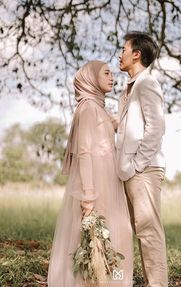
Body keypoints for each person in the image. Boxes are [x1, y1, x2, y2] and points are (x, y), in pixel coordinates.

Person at [47, 60, 133, 287]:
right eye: (106, 73)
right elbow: (83, 152)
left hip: (108, 179)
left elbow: (110, 132)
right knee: (94, 239)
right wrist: (88, 193)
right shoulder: (87, 108)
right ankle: (92, 283)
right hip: (96, 182)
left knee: (115, 233)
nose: (112, 78)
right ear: (91, 78)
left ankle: (113, 280)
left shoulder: (98, 107)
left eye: (112, 74)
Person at [117, 32, 168, 287]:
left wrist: (137, 165)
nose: (120, 54)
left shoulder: (147, 83)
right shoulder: (129, 87)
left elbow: (156, 127)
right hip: (130, 171)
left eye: (123, 49)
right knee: (136, 231)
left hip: (144, 170)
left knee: (149, 231)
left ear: (136, 53)